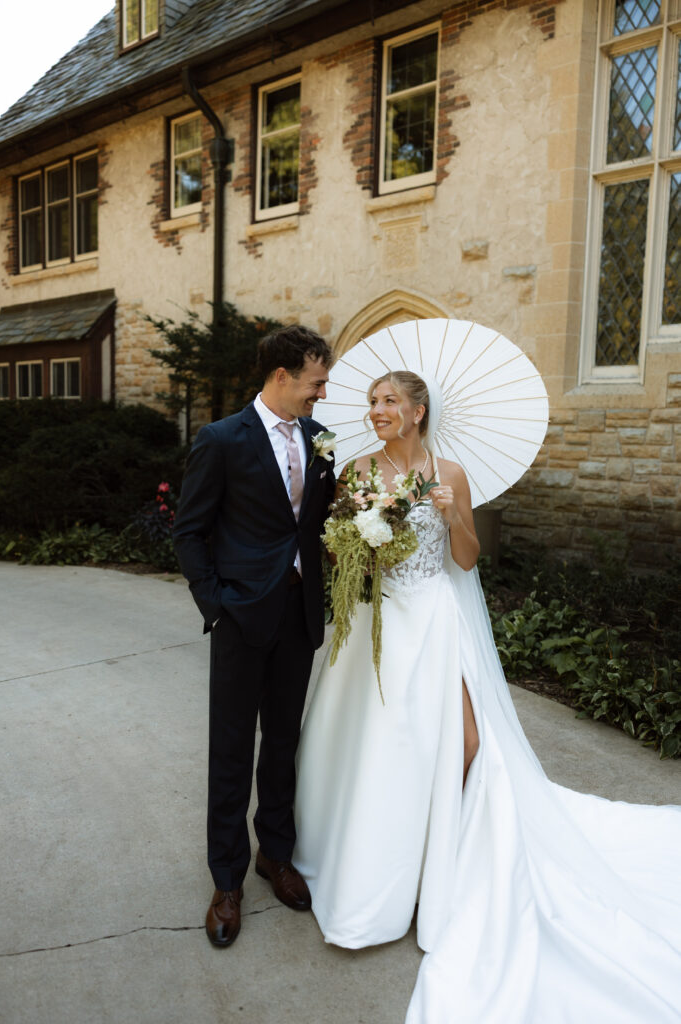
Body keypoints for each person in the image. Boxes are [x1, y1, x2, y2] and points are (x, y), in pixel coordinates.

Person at [293, 370, 681, 1022]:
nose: (377, 410)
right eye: (373, 402)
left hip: (437, 622)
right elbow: (340, 558)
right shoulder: (357, 471)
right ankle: (376, 867)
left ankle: (446, 862)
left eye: (389, 402)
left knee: (465, 744)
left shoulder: (451, 473)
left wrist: (450, 516)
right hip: (378, 625)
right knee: (378, 747)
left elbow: (467, 561)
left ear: (417, 411)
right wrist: (364, 542)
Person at [173, 324, 335, 949]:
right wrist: (217, 605)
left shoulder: (322, 441)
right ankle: (227, 879)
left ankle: (276, 856)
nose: (322, 393)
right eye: (317, 382)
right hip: (242, 618)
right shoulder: (222, 440)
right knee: (233, 750)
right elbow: (189, 531)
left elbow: (315, 525)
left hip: (298, 619)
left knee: (284, 745)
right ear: (282, 377)